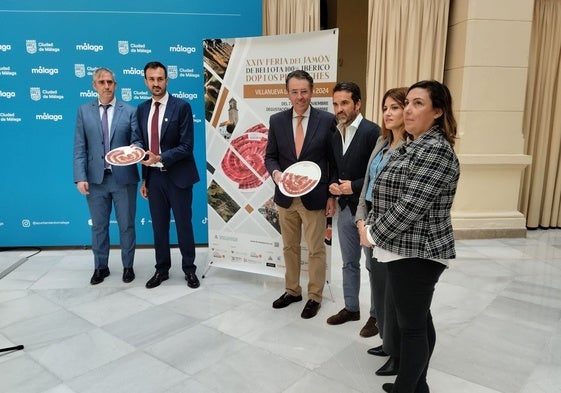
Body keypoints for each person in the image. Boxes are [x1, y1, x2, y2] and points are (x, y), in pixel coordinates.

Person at [363, 80, 460, 393]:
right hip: (404, 248)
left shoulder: (436, 151)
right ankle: (418, 387)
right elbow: (384, 192)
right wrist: (372, 224)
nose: (408, 109)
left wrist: (372, 233)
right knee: (419, 319)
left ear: (438, 111)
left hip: (418, 252)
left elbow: (410, 207)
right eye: (408, 102)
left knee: (413, 327)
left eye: (418, 103)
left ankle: (409, 388)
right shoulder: (412, 144)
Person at [265, 69, 337, 319]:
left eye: (304, 92)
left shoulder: (326, 121)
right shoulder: (277, 121)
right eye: (294, 92)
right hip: (286, 197)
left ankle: (314, 295)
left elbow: (333, 161)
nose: (300, 97)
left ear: (312, 92)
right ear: (287, 94)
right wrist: (276, 175)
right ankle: (292, 290)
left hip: (315, 197)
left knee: (316, 249)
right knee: (289, 247)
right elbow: (270, 157)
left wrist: (331, 195)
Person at [132, 61, 201, 289]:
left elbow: (187, 146)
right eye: (151, 79)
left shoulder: (181, 107)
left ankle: (189, 270)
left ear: (167, 80)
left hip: (178, 177)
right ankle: (161, 270)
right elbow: (143, 148)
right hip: (154, 179)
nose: (156, 83)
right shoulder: (141, 109)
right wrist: (145, 178)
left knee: (183, 225)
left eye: (160, 79)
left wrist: (160, 158)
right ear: (145, 81)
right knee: (159, 227)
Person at [357, 87, 409, 377]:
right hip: (370, 224)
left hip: (391, 230)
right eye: (385, 107)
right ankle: (387, 343)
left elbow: (404, 198)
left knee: (394, 295)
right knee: (378, 290)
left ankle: (399, 353)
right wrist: (361, 222)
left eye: (395, 107)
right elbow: (367, 186)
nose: (388, 113)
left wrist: (376, 231)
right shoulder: (381, 142)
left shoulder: (410, 148)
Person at [73, 67, 139, 285]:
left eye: (110, 82)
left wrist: (129, 153)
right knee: (99, 226)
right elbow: (80, 147)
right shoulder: (84, 111)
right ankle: (101, 267)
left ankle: (128, 266)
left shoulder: (129, 111)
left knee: (126, 225)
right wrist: (80, 177)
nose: (106, 86)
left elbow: (138, 142)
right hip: (95, 180)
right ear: (94, 86)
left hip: (124, 179)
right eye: (102, 82)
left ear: (116, 85)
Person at [326, 82, 380, 337]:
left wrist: (352, 186)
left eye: (345, 103)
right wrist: (334, 187)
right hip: (345, 210)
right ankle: (351, 308)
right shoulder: (335, 132)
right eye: (336, 104)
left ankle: (377, 316)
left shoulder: (373, 132)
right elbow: (335, 166)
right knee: (349, 262)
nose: (340, 109)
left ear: (358, 104)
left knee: (372, 265)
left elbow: (377, 173)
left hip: (368, 211)